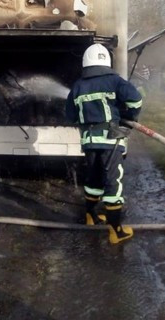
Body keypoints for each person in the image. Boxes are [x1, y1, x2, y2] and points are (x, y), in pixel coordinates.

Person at [66, 43, 143, 244]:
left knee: (93, 178)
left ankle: (90, 216)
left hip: (89, 142)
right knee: (112, 182)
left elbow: (70, 115)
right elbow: (136, 100)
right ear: (106, 62)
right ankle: (116, 231)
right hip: (112, 140)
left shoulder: (77, 86)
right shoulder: (114, 81)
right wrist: (127, 116)